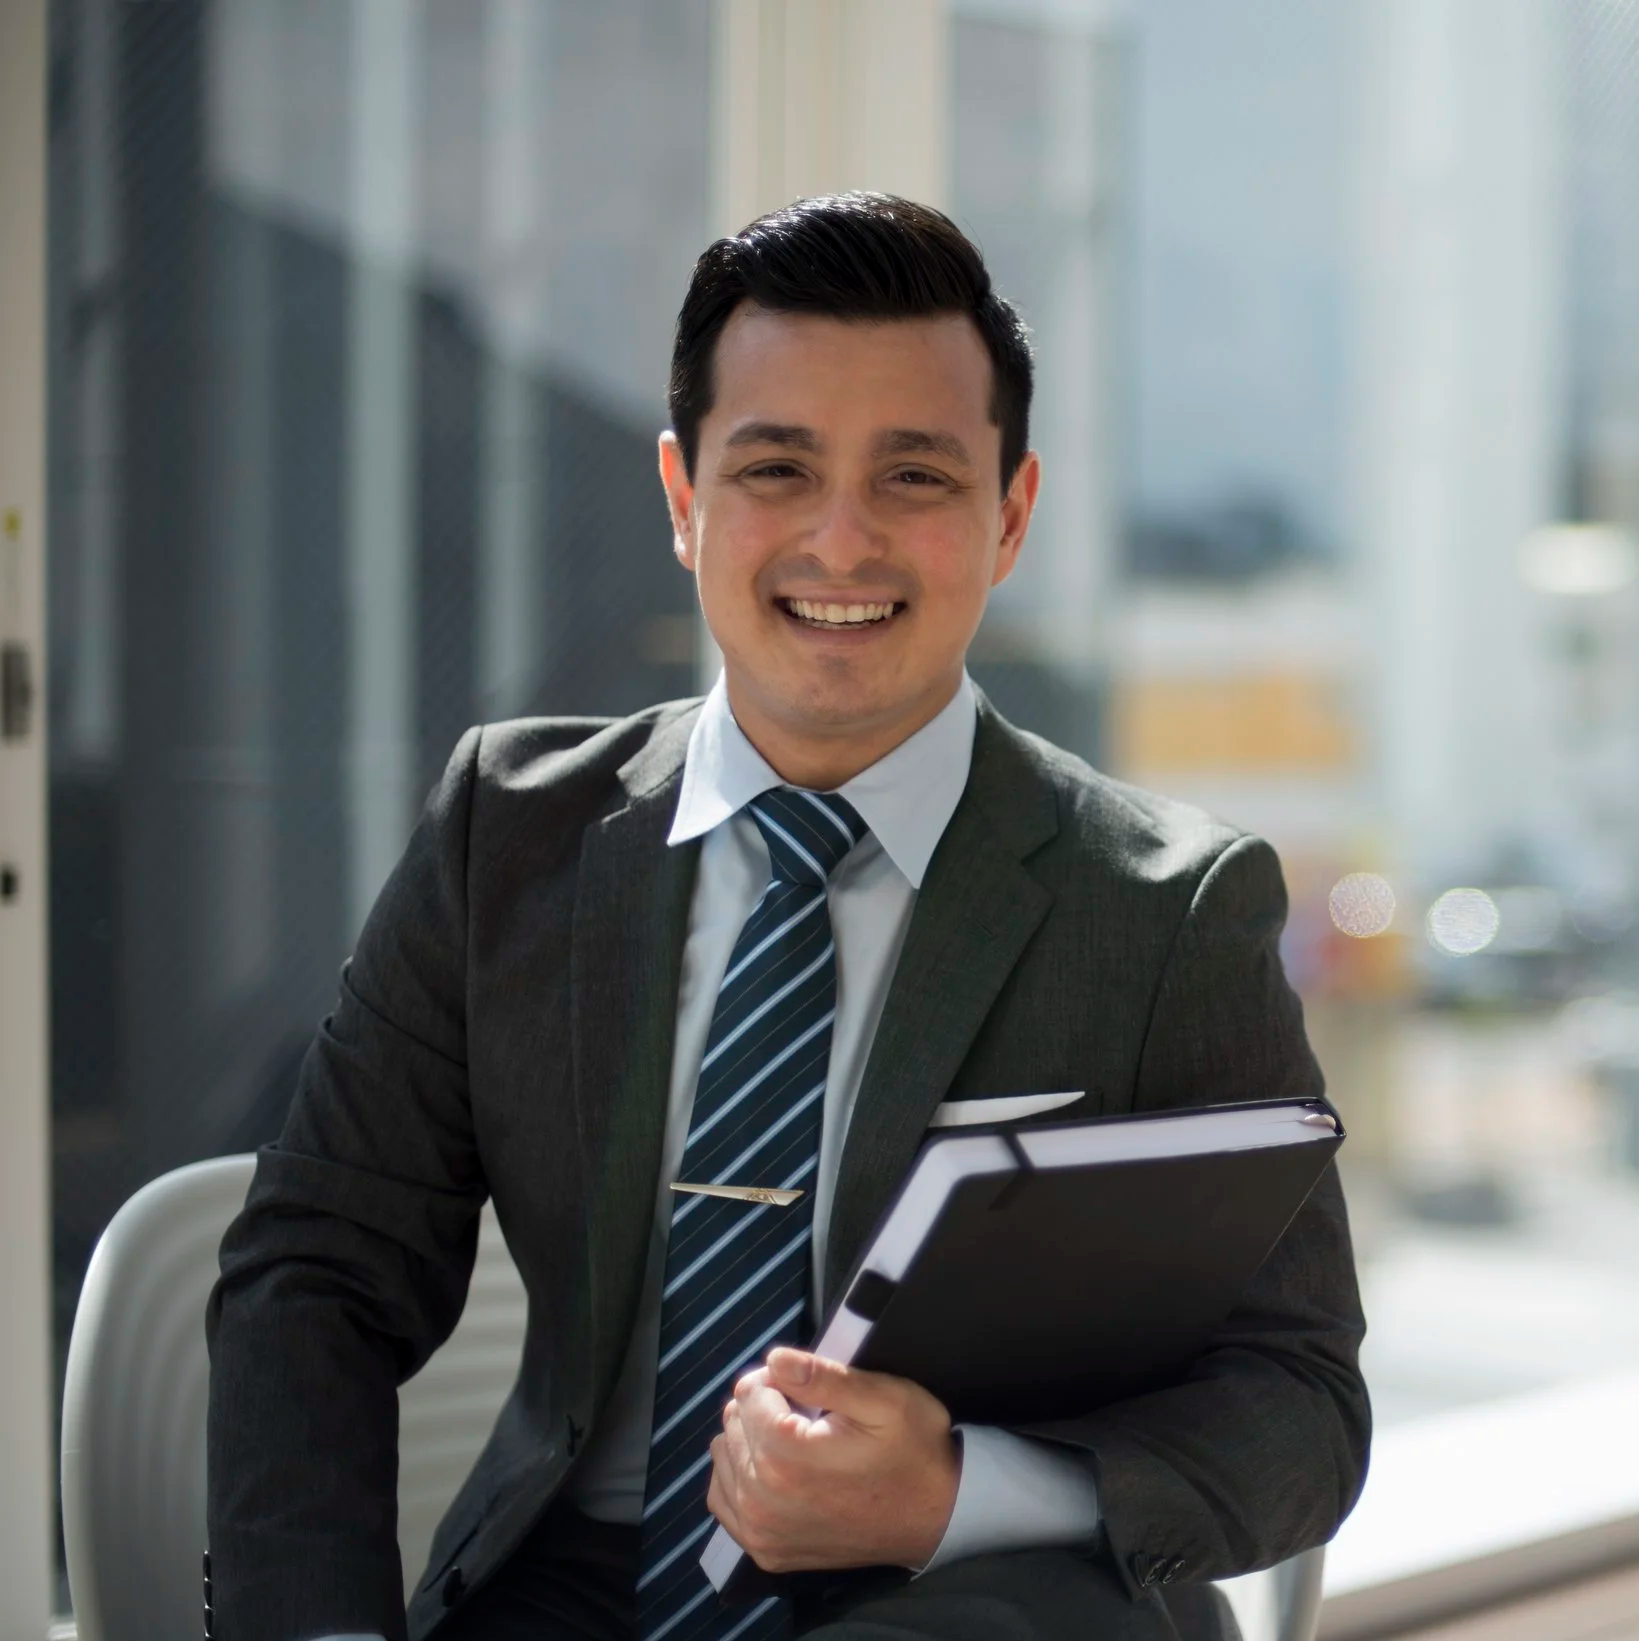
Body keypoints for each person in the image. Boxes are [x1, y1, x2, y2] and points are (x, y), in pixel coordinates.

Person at [206, 193, 1369, 1641]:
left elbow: (1301, 1405)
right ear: (684, 498)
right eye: (775, 466)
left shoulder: (1162, 907)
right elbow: (314, 1270)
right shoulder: (505, 831)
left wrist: (957, 1491)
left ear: (1008, 515)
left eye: (915, 477)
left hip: (974, 1600)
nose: (840, 541)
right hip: (568, 1594)